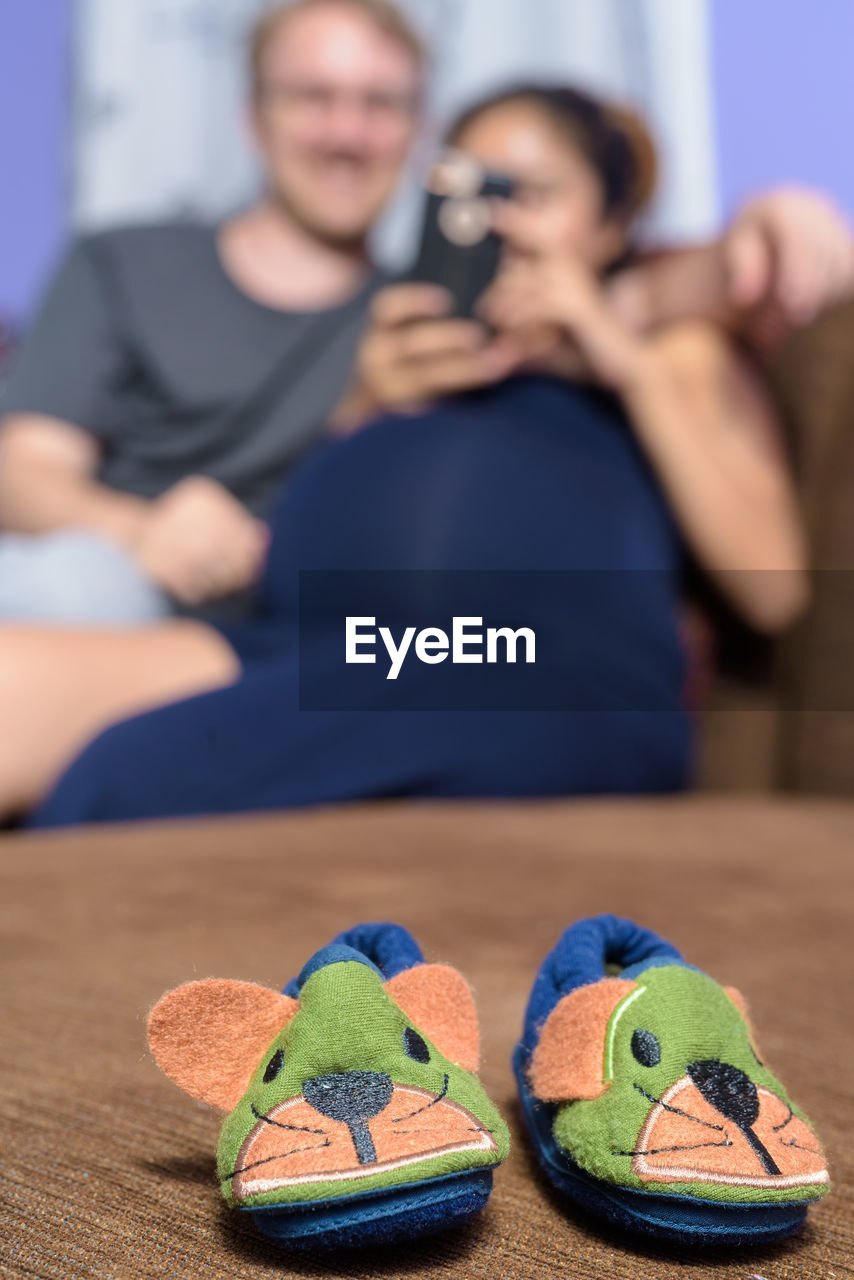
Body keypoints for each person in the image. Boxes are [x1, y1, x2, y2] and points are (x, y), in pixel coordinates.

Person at [4, 79, 843, 827]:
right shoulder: (401, 337)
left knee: (128, 775)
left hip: (523, 667)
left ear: (615, 224)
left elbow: (770, 592)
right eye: (466, 193)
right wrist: (364, 408)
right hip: (323, 647)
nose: (492, 223)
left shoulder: (662, 345)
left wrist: (617, 355)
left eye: (531, 194)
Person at [0, 0, 423, 623]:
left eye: (380, 104)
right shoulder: (122, 262)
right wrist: (142, 530)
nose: (347, 135)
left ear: (421, 129)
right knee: (65, 583)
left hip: (294, 630)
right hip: (108, 589)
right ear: (255, 117)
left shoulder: (422, 327)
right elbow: (22, 475)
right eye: (313, 97)